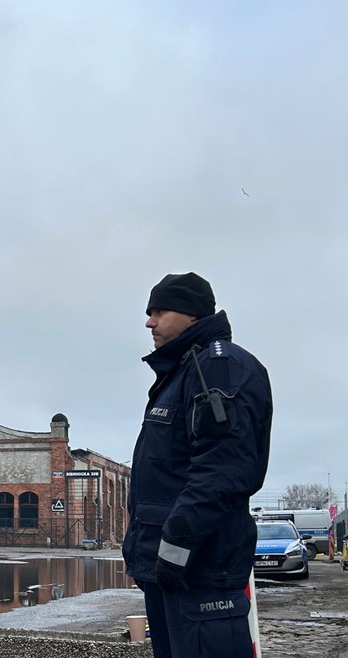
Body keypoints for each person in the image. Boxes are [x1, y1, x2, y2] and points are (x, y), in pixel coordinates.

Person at [121, 272, 273, 658]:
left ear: (190, 315)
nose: (149, 322)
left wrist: (174, 549)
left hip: (200, 570)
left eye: (159, 311)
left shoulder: (218, 368)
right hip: (174, 572)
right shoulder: (184, 371)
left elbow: (222, 470)